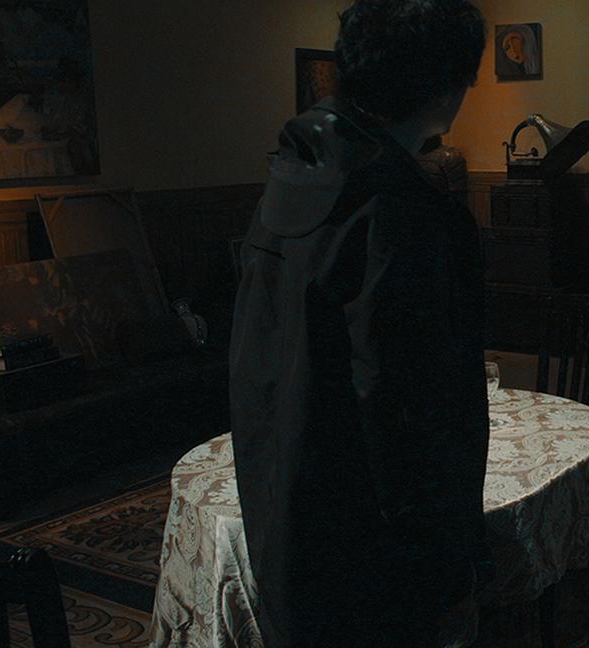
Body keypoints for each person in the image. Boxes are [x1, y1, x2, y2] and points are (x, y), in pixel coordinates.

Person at [228, 1, 492, 646]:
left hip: (286, 511)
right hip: (378, 557)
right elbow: (415, 413)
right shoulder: (401, 212)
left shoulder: (293, 176)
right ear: (448, 86)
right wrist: (448, 571)